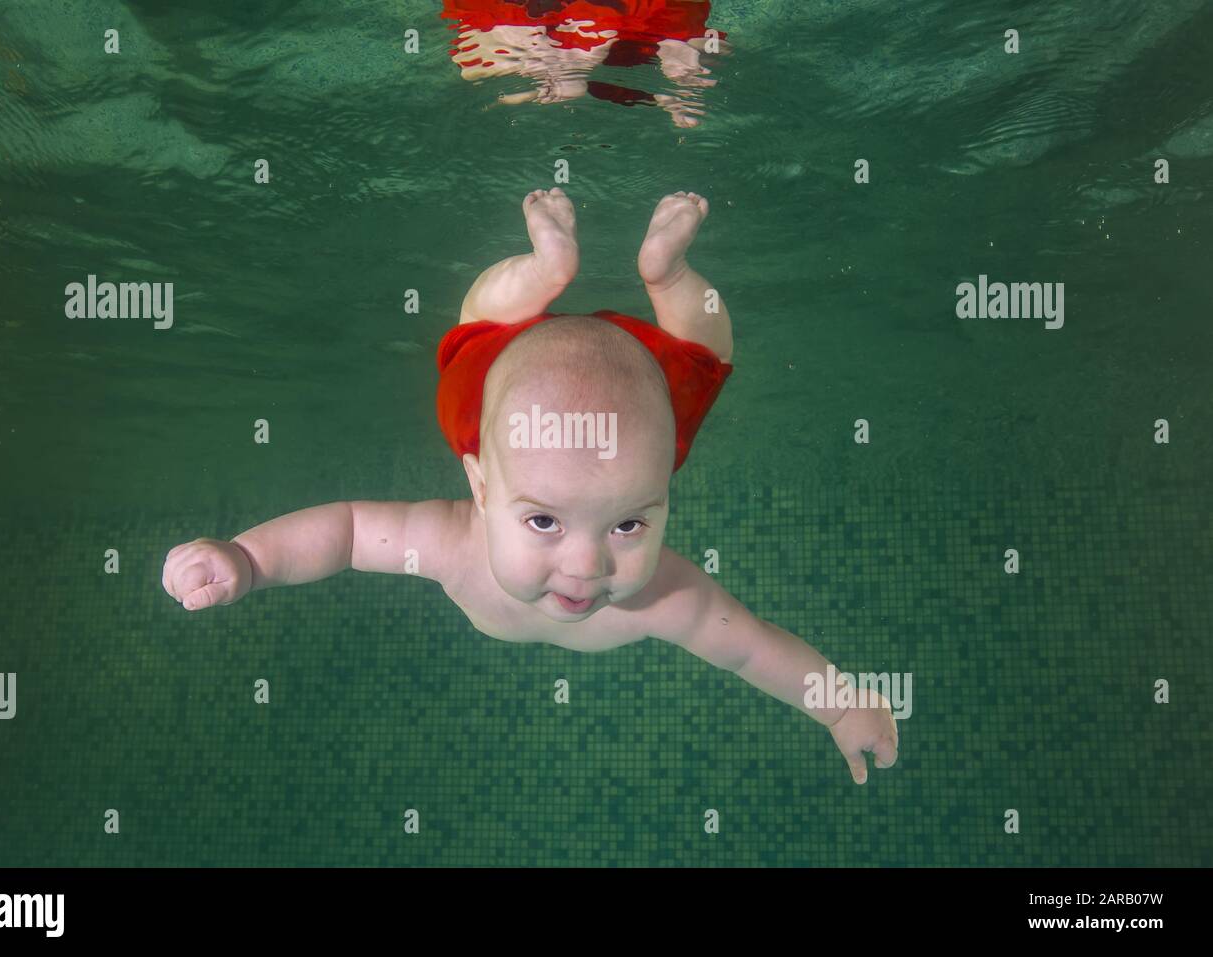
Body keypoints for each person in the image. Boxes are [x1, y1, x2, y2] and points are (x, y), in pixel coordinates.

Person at [161, 188, 899, 785]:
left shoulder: (665, 595)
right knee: (492, 333)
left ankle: (648, 273)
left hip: (636, 420)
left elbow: (752, 651)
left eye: (629, 525)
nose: (588, 567)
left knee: (692, 365)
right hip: (502, 395)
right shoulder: (451, 542)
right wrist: (250, 558)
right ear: (479, 485)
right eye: (544, 521)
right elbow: (348, 532)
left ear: (664, 497)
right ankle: (606, 273)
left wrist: (839, 706)